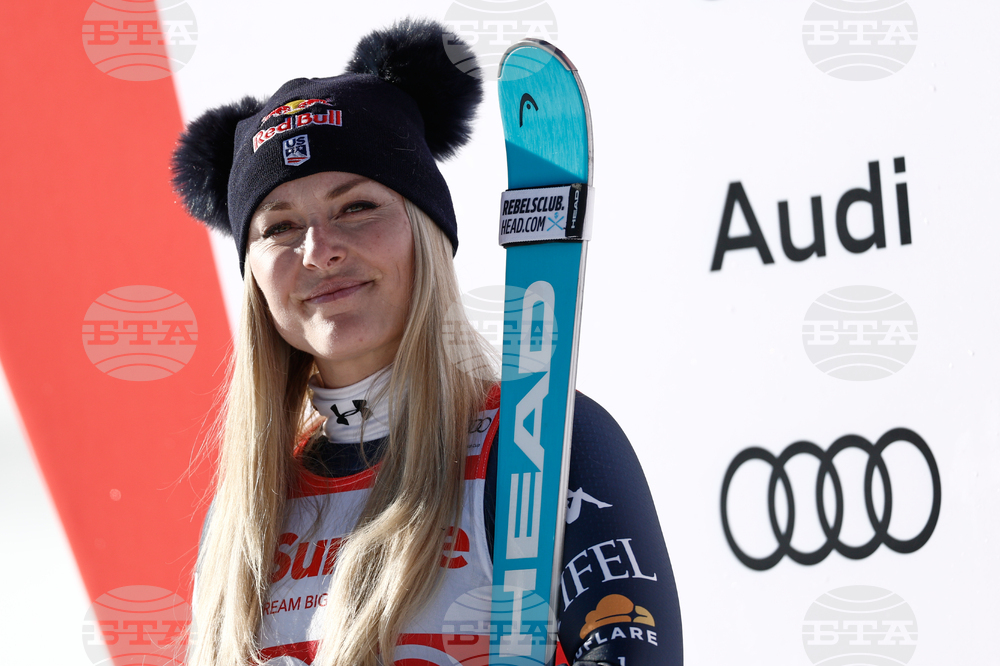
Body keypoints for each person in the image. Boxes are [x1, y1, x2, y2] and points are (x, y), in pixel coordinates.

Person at [172, 18, 681, 666]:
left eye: (356, 207)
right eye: (280, 226)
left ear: (426, 235)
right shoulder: (241, 519)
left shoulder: (537, 442)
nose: (319, 250)